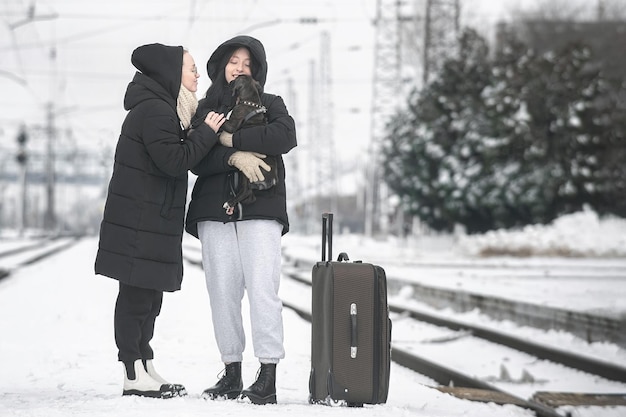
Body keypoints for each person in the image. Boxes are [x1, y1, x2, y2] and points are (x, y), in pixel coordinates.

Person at [94, 43, 255, 399]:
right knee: (137, 297)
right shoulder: (155, 111)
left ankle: (144, 365)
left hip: (150, 218)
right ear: (171, 74)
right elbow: (174, 160)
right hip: (141, 220)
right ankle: (132, 372)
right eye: (191, 68)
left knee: (150, 299)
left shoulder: (166, 109)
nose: (198, 74)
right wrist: (207, 133)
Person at [185, 35, 297, 405]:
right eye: (234, 60)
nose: (240, 68)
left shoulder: (271, 103)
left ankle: (267, 375)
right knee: (222, 292)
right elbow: (196, 159)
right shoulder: (205, 109)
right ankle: (231, 372)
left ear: (258, 70)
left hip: (261, 208)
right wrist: (232, 158)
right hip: (214, 212)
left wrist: (230, 140)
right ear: (221, 64)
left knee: (263, 289)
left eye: (248, 63)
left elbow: (283, 135)